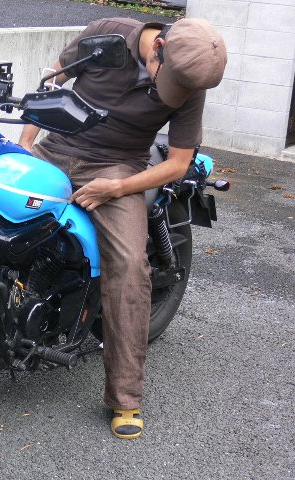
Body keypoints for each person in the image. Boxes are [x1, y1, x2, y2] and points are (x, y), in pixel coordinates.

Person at [18, 17, 227, 439]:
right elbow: (54, 78)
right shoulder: (106, 31)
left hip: (117, 166)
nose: (171, 94)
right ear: (159, 47)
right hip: (54, 147)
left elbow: (178, 163)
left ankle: (125, 397)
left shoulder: (190, 80)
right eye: (168, 82)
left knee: (130, 265)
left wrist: (116, 188)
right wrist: (25, 142)